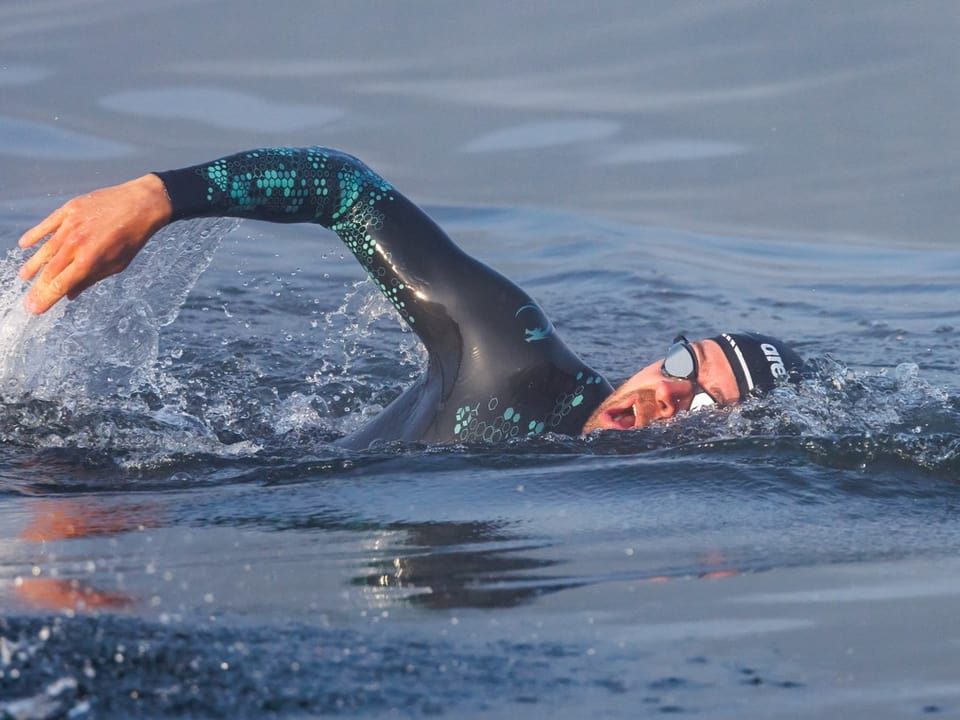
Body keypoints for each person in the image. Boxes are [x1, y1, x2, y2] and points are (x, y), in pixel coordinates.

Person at [16, 146, 802, 446]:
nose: (666, 392)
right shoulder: (514, 357)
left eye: (703, 408)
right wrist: (155, 197)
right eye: (680, 362)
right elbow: (343, 189)